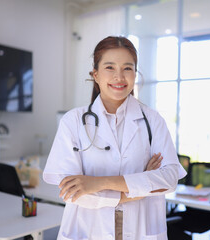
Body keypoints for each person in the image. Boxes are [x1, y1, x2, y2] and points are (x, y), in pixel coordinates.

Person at [43, 36, 186, 240]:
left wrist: (98, 183)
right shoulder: (73, 121)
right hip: (89, 228)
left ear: (135, 74)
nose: (119, 76)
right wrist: (142, 185)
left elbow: (170, 179)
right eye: (110, 67)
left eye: (127, 68)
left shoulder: (153, 120)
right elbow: (73, 191)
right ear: (96, 74)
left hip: (140, 228)